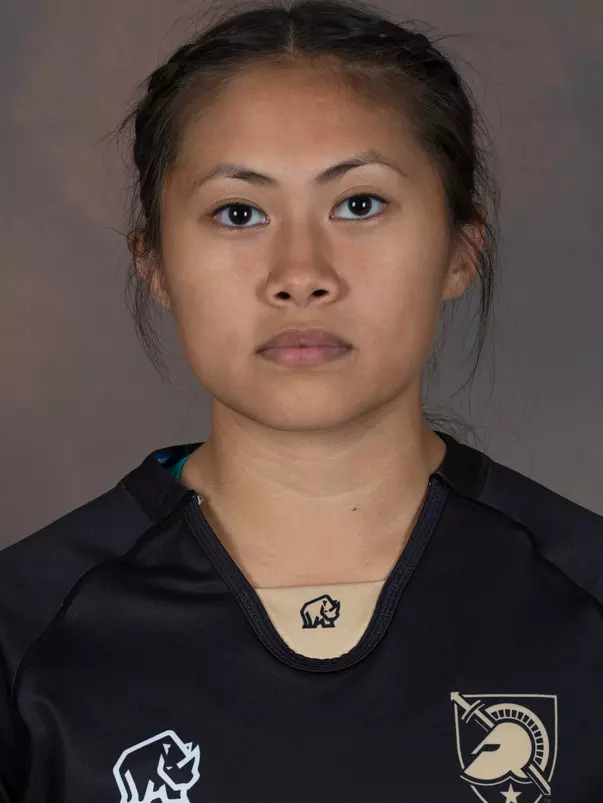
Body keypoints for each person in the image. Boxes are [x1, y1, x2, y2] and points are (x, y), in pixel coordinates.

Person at [1, 1, 602, 801]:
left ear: (459, 250)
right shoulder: (24, 629)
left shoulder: (583, 598)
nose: (300, 271)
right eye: (238, 212)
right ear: (156, 266)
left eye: (359, 203)